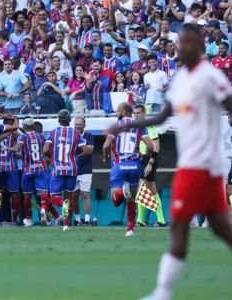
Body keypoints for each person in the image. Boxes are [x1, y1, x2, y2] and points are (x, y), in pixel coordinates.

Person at [110, 24, 232, 300]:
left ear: (200, 46)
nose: (183, 47)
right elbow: (161, 117)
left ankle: (162, 293)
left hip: (201, 164)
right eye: (180, 42)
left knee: (179, 225)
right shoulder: (180, 80)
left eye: (189, 42)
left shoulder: (211, 76)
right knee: (220, 227)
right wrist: (123, 126)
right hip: (198, 163)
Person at [103, 102, 152, 237]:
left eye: (118, 110)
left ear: (124, 111)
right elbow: (150, 146)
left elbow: (106, 146)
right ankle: (130, 229)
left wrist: (106, 158)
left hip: (119, 165)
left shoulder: (116, 126)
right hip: (134, 165)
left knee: (115, 201)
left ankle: (121, 193)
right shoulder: (139, 126)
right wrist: (146, 155)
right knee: (132, 199)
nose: (117, 112)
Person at [43, 109, 93, 231]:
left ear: (59, 120)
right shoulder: (76, 134)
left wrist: (48, 156)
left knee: (55, 197)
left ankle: (62, 205)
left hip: (58, 169)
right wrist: (87, 150)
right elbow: (87, 150)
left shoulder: (53, 133)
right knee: (69, 197)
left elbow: (45, 150)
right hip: (72, 169)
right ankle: (66, 225)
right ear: (70, 120)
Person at [3, 118, 51, 227]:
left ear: (24, 127)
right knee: (43, 194)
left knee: (27, 196)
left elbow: (17, 148)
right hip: (40, 168)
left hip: (28, 169)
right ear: (33, 126)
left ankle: (28, 219)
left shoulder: (23, 137)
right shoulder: (40, 136)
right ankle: (43, 210)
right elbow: (45, 150)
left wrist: (7, 148)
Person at [133, 105, 166, 227]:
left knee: (141, 190)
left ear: (144, 113)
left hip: (148, 160)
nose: (136, 115)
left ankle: (140, 220)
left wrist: (150, 163)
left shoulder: (149, 126)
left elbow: (156, 147)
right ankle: (161, 220)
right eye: (135, 113)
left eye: (138, 113)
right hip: (142, 160)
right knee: (152, 191)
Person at [73, 117, 94, 226]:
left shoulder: (89, 136)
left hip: (85, 169)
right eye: (76, 124)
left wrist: (77, 157)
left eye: (80, 124)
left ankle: (86, 220)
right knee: (74, 196)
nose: (77, 126)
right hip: (73, 169)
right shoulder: (71, 135)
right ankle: (77, 220)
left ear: (84, 125)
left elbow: (89, 151)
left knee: (85, 194)